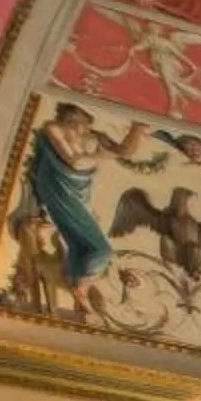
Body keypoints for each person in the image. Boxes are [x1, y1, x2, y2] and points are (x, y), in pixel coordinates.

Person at [23, 103, 156, 294]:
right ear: (69, 118)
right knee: (101, 251)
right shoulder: (54, 128)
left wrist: (137, 129)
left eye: (86, 123)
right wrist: (102, 156)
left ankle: (77, 280)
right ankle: (82, 282)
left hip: (78, 191)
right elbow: (76, 163)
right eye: (80, 122)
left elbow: (124, 151)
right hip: (59, 187)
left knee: (82, 243)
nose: (84, 128)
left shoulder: (93, 137)